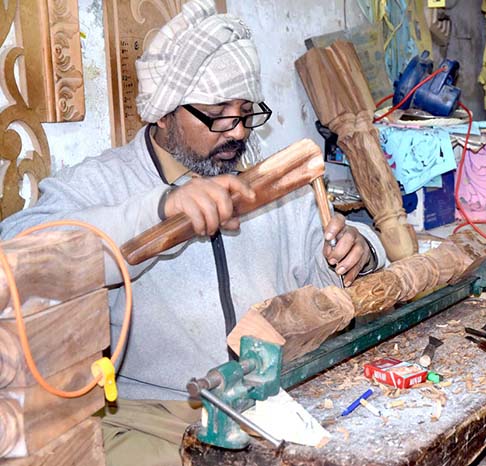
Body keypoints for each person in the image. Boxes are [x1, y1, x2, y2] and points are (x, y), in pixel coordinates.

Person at [0, 1, 386, 464]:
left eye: (246, 112)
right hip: (156, 414)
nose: (238, 132)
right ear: (164, 113)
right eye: (218, 114)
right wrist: (158, 209)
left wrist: (361, 251)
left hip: (277, 398)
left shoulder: (269, 180)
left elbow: (333, 258)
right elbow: (17, 250)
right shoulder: (102, 183)